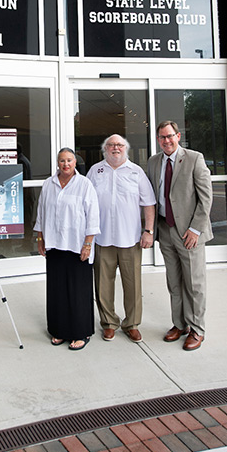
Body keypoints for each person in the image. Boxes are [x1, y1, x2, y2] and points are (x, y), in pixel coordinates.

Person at [147, 121, 213, 351]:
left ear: (178, 136)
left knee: (194, 283)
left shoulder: (194, 158)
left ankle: (197, 329)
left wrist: (196, 229)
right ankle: (179, 324)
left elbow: (206, 198)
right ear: (158, 140)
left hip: (189, 232)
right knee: (174, 282)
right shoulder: (154, 162)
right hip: (165, 229)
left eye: (170, 136)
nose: (166, 141)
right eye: (162, 137)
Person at [87, 135, 156, 343]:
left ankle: (132, 324)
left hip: (130, 238)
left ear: (125, 148)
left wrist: (149, 231)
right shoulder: (95, 171)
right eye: (111, 145)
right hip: (102, 237)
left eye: (119, 145)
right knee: (102, 284)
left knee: (133, 284)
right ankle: (109, 323)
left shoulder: (136, 172)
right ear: (104, 149)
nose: (115, 148)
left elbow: (149, 203)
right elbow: (86, 202)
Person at [34, 148, 100, 351]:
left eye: (69, 160)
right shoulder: (49, 184)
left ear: (75, 162)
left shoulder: (84, 184)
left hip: (76, 245)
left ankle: (81, 332)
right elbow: (42, 212)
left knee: (78, 291)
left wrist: (88, 244)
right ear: (57, 163)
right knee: (57, 290)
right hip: (54, 244)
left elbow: (93, 216)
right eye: (62, 160)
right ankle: (59, 330)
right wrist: (40, 237)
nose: (65, 164)